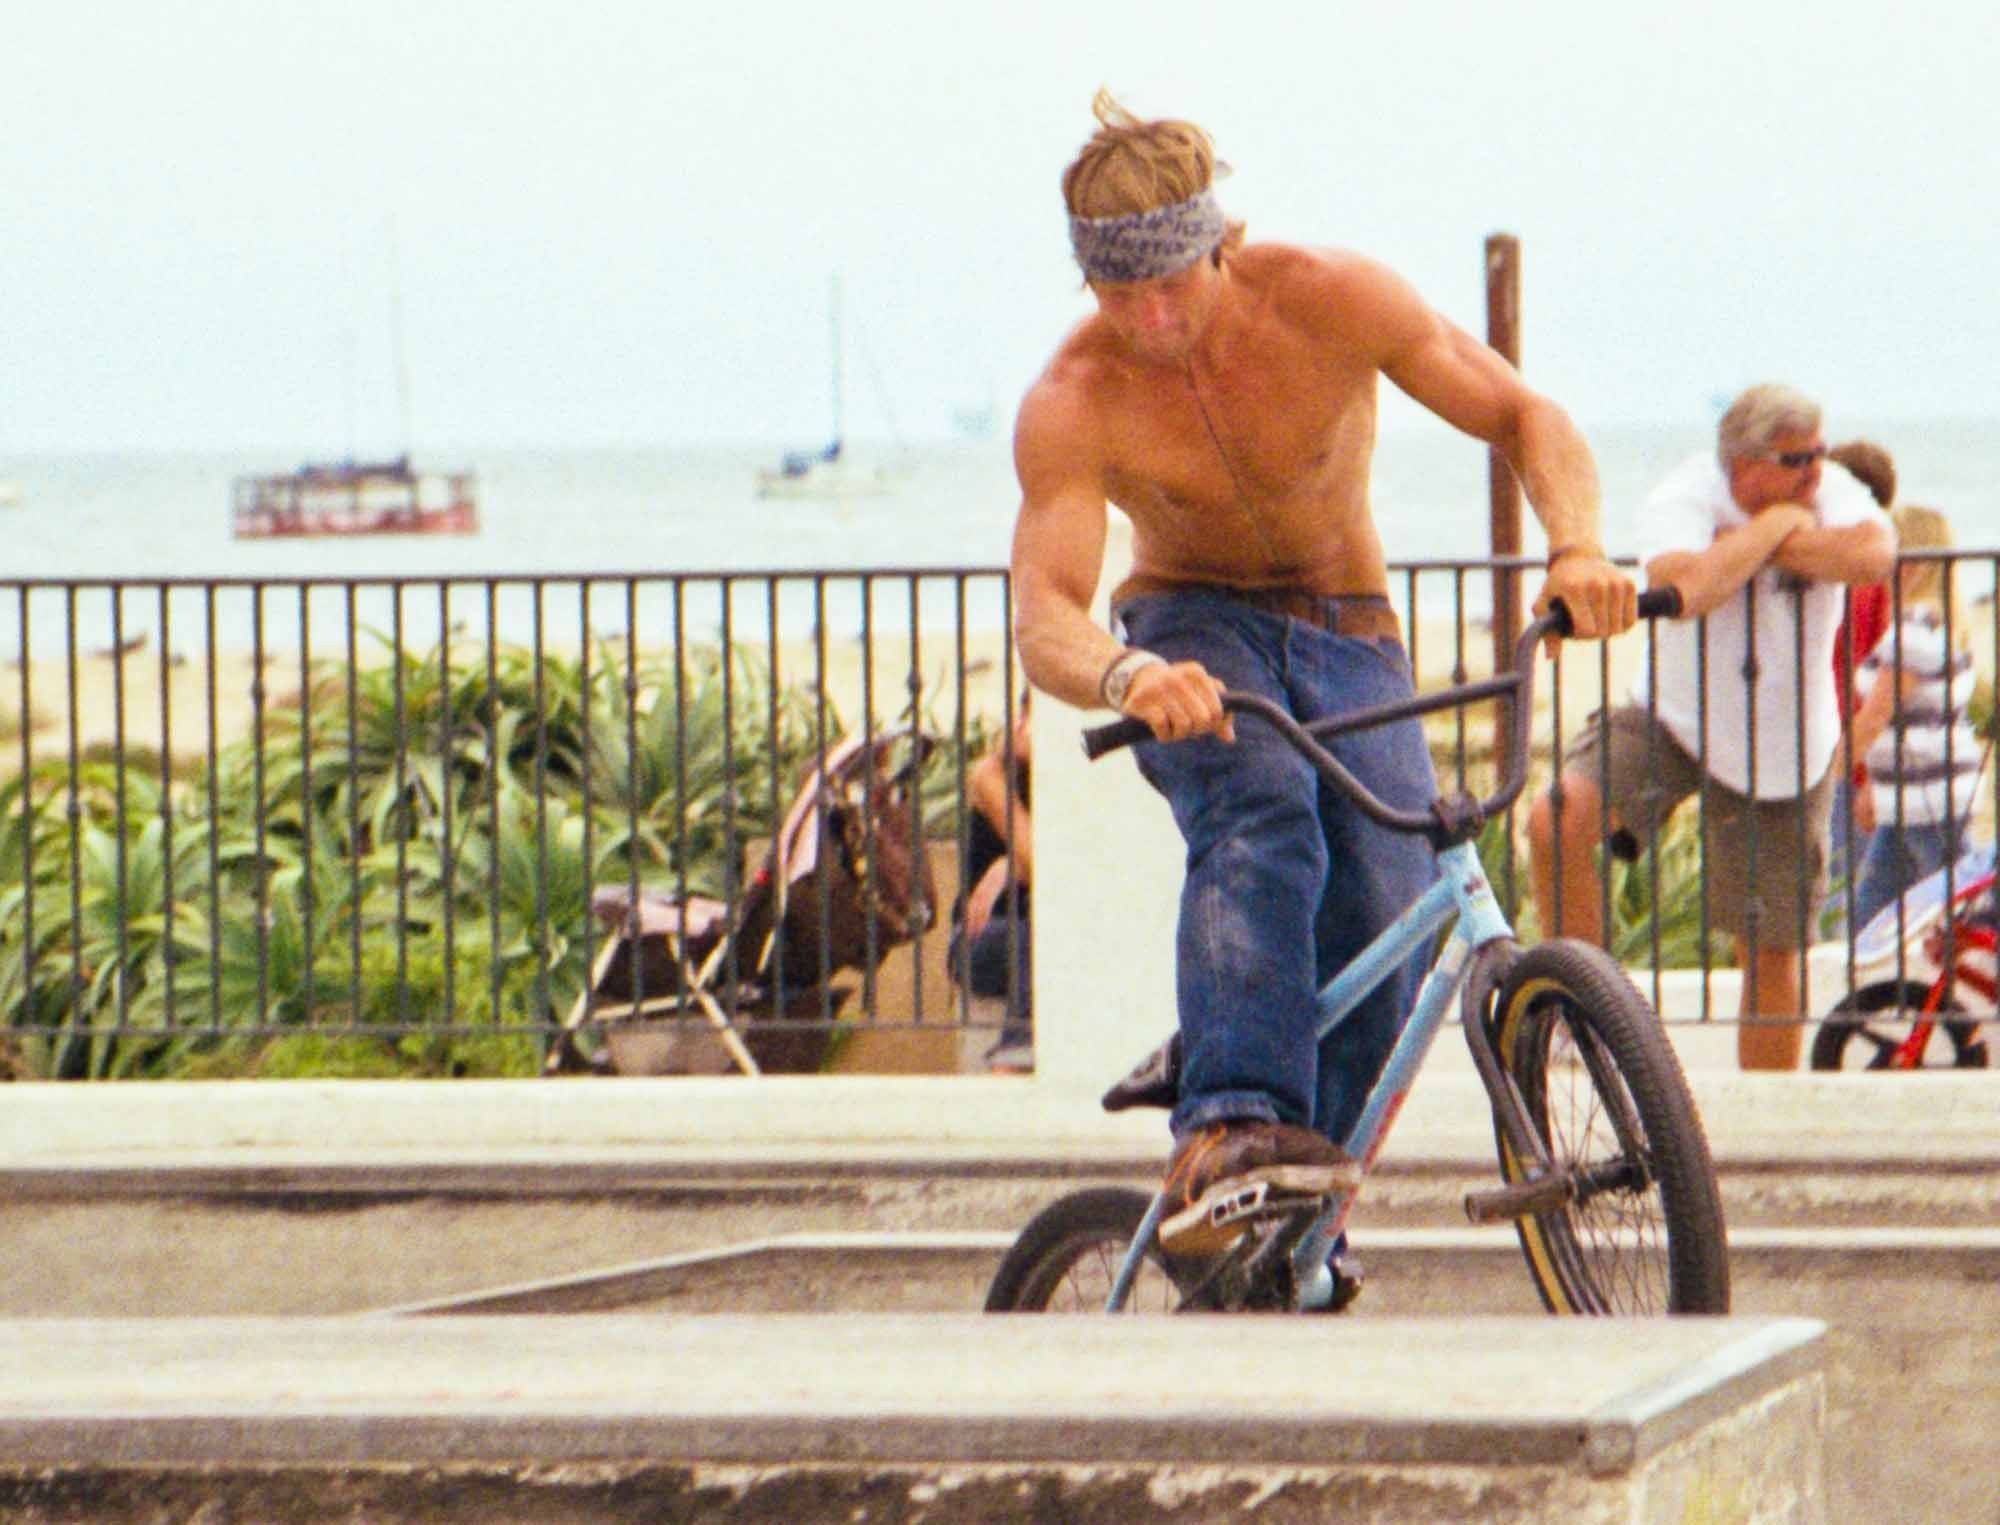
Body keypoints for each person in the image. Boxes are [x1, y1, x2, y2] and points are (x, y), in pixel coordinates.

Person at [1009, 91, 1635, 1261]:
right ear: (1088, 283)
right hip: (1191, 628)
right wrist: (1127, 672)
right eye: (1118, 291)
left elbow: (1519, 411)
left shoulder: (1333, 299)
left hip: (1351, 628)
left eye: (1172, 281)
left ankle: (1301, 1219)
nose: (1151, 316)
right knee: (1262, 815)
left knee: (1386, 910)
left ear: (1218, 244)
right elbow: (1044, 611)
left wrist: (1577, 546)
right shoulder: (1073, 400)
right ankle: (1230, 1127)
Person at [1527, 384, 1897, 1071]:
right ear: (1744, 462)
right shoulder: (1689, 490)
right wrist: (1780, 526)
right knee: (1559, 814)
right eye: (1795, 460)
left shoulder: (1836, 486)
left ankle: (1768, 1117)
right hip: (1673, 715)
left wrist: (1744, 551)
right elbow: (1686, 589)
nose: (1815, 470)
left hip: (1785, 743)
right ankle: (1586, 1015)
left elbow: (1872, 555)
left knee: (1772, 945)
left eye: (1818, 453)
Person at [1847, 505, 1981, 932]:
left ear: (1914, 563)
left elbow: (1877, 714)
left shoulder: (1916, 629)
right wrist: (1872, 785)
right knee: (1873, 918)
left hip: (1929, 800)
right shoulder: (1926, 624)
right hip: (1912, 800)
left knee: (1952, 917)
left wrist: (1823, 772)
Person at [1821, 439, 1896, 930]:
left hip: (1841, 746)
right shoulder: (1869, 574)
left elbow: (1874, 677)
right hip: (1842, 745)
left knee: (1841, 889)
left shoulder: (1857, 578)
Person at [949, 697, 1034, 1073]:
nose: (1020, 725)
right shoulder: (994, 778)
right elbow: (1040, 869)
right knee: (1036, 939)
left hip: (1034, 933)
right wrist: (1016, 865)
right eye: (1025, 716)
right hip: (980, 941)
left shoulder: (1077, 789)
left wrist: (1006, 866)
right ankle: (1015, 1057)